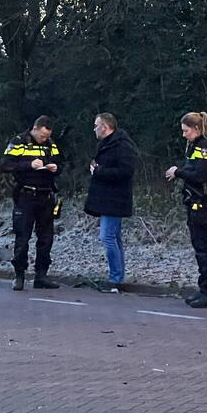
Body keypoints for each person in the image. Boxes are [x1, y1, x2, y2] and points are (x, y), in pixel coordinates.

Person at [165, 112, 207, 308]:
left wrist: (177, 172)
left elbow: (199, 174)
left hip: (204, 202)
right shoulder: (197, 145)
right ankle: (204, 288)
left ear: (197, 128)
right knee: (200, 246)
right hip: (196, 200)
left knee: (205, 247)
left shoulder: (206, 146)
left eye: (186, 130)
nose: (183, 135)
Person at [0, 115, 62, 290]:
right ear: (35, 129)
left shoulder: (51, 144)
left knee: (46, 239)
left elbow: (59, 163)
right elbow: (5, 164)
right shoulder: (18, 142)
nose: (44, 139)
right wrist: (29, 165)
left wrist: (55, 168)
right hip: (25, 195)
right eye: (42, 136)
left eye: (47, 136)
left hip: (46, 195)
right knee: (23, 237)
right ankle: (19, 275)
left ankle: (41, 276)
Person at [84, 113, 136, 293]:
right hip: (109, 198)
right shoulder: (110, 144)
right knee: (114, 237)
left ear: (105, 127)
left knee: (107, 237)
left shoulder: (121, 146)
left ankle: (115, 278)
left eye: (96, 125)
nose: (94, 129)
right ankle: (118, 276)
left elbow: (125, 171)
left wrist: (99, 171)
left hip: (115, 198)